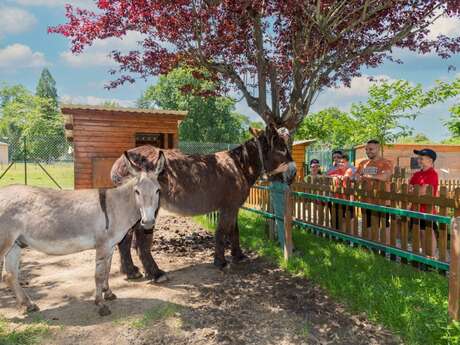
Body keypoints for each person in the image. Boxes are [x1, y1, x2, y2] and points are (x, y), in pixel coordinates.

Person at [356, 140, 394, 241]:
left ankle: (385, 248)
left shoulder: (386, 162)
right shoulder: (363, 163)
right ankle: (370, 247)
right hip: (366, 199)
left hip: (382, 200)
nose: (368, 151)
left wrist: (367, 176)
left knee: (384, 224)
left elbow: (385, 176)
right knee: (368, 224)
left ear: (378, 149)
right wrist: (357, 177)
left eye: (371, 149)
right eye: (366, 149)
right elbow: (356, 175)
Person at [409, 148, 439, 255]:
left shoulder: (432, 174)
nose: (419, 160)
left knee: (428, 233)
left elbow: (422, 191)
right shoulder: (417, 174)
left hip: (427, 210)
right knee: (420, 233)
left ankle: (431, 256)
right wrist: (414, 190)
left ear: (430, 161)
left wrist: (414, 190)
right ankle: (424, 256)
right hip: (416, 209)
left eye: (421, 158)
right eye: (419, 158)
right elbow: (408, 188)